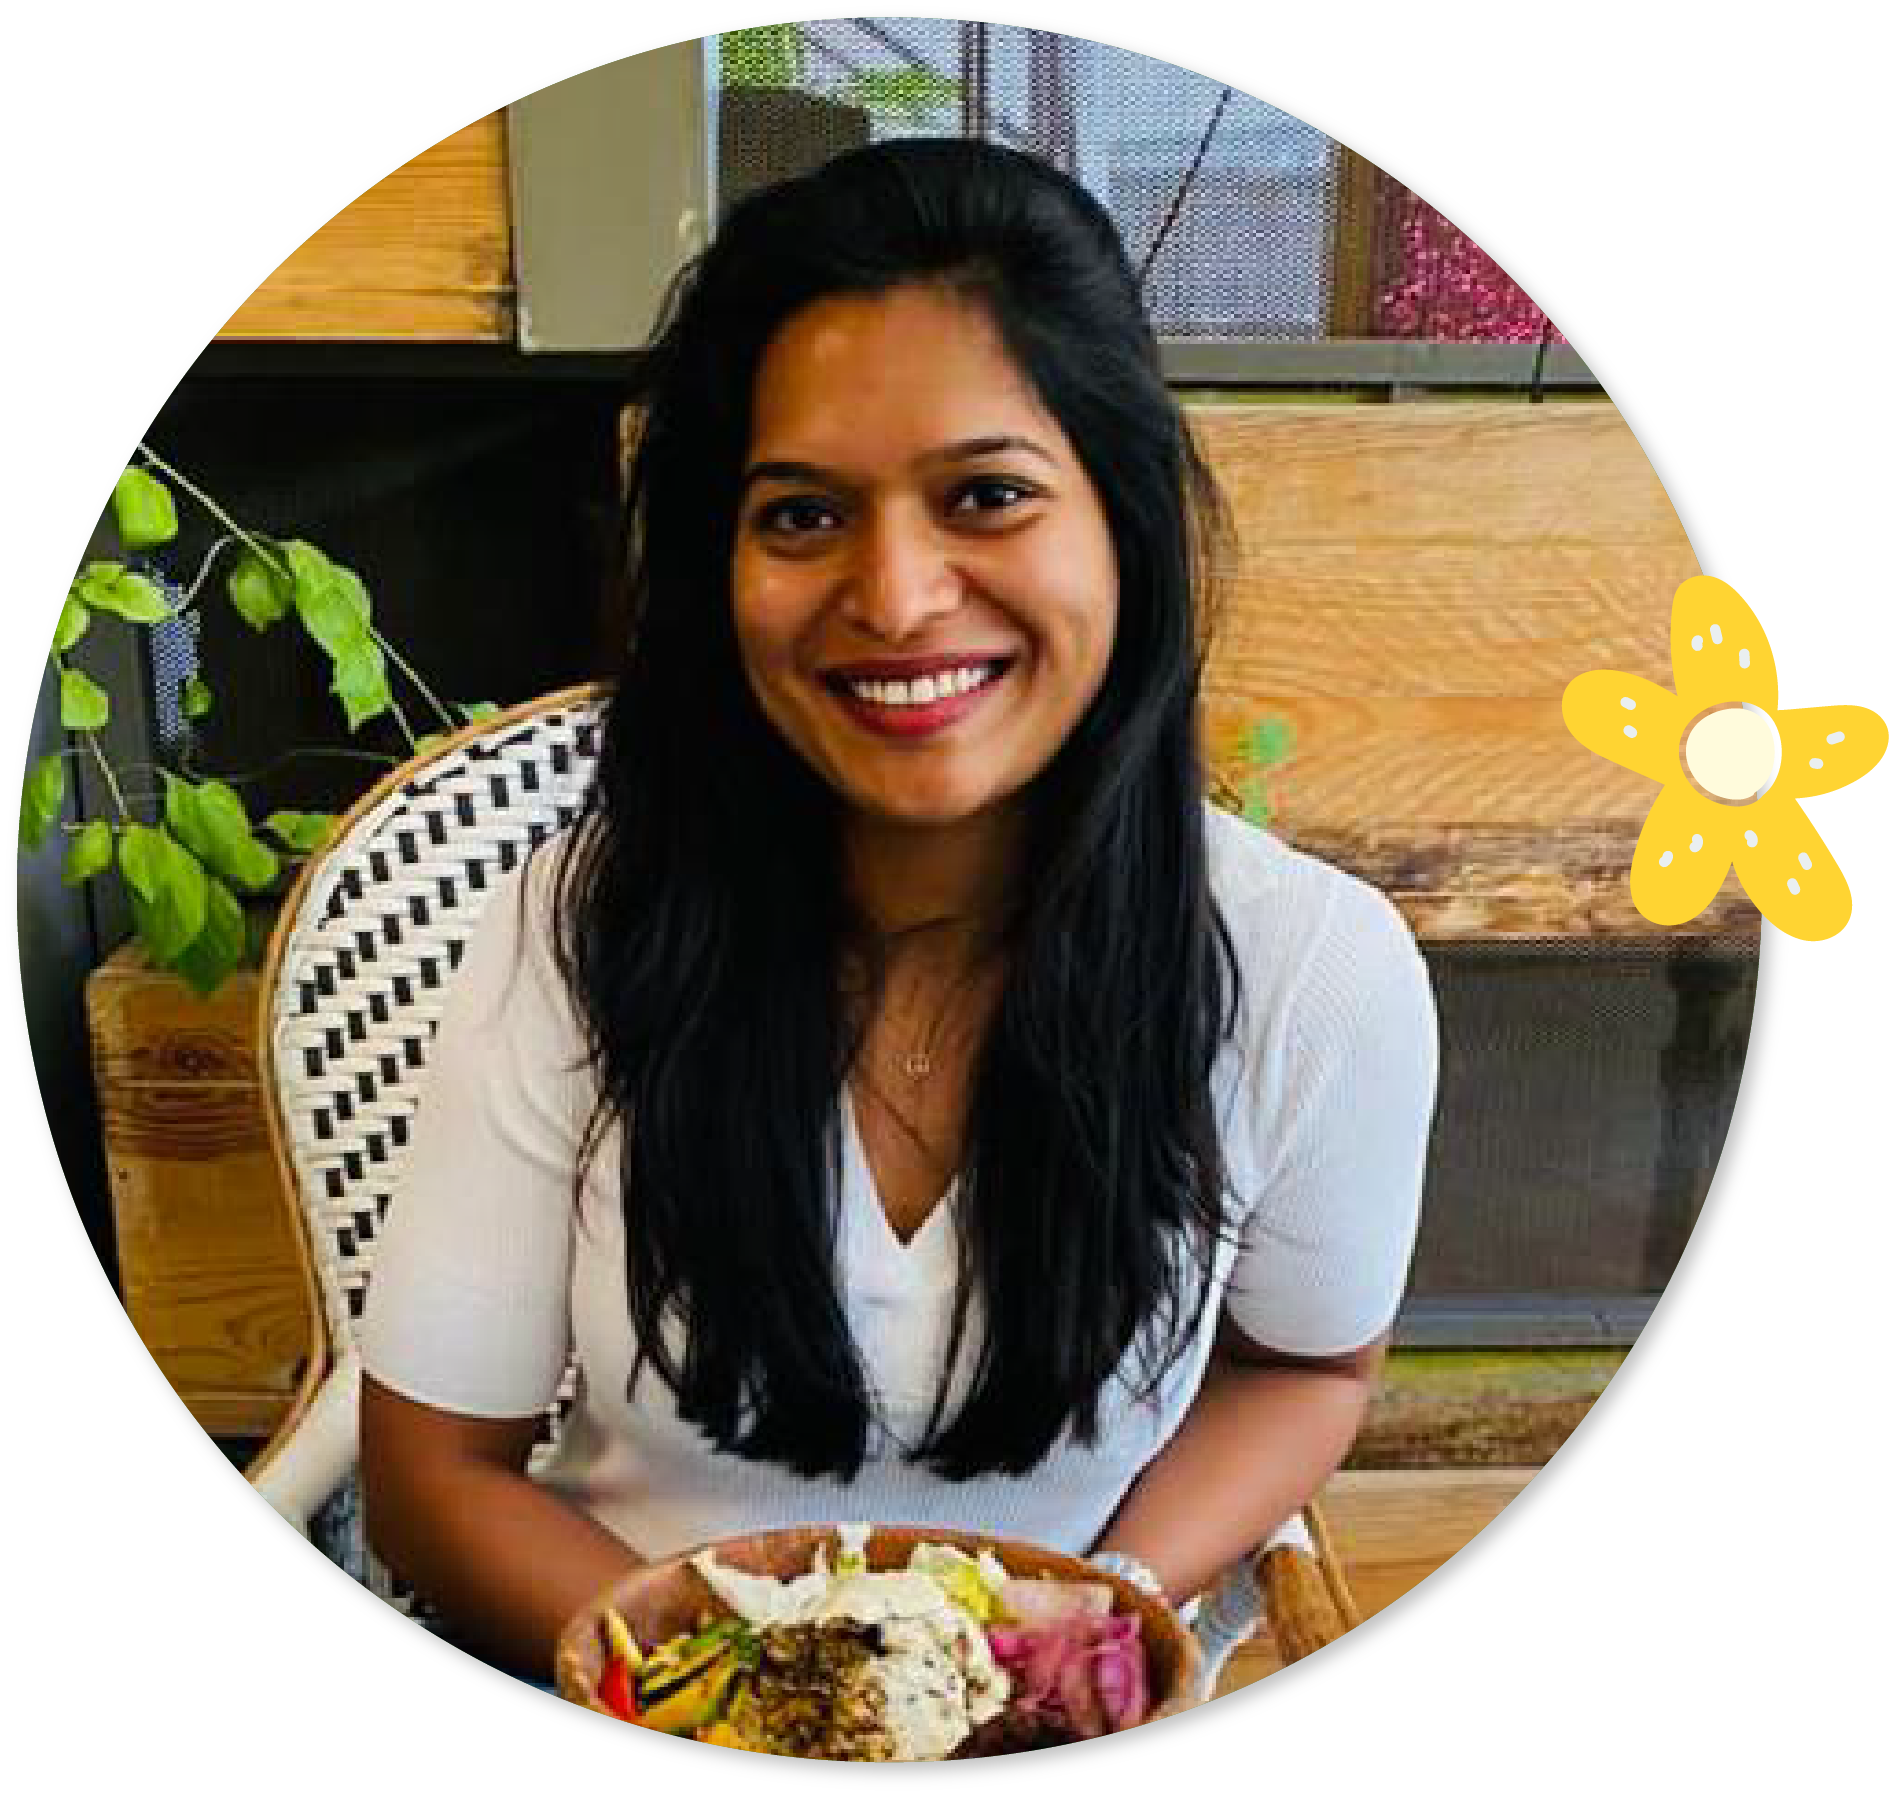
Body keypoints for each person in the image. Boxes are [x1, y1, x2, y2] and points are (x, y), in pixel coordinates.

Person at [359, 137, 1438, 1683]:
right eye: (802, 515)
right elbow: (432, 1477)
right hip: (641, 1682)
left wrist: (1094, 1617)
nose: (897, 597)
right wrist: (768, 1698)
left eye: (987, 495)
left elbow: (1309, 1369)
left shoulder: (1315, 971)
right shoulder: (575, 934)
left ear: (1125, 522)